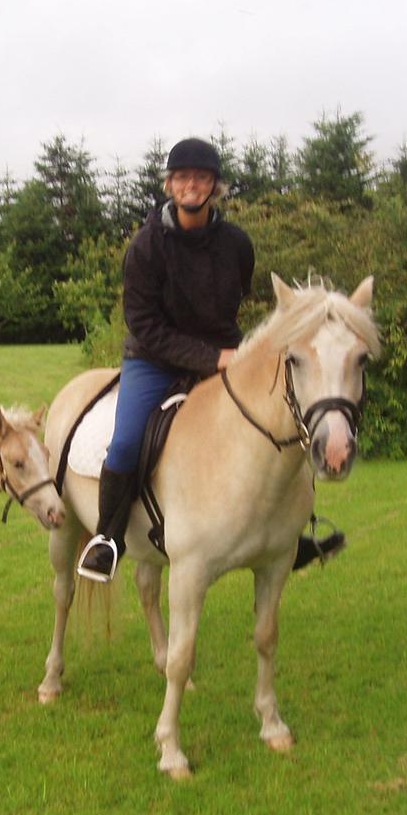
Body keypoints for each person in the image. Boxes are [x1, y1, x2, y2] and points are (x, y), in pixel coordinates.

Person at [76, 137, 343, 583]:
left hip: (224, 354)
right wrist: (210, 356)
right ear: (169, 185)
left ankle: (291, 532)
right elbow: (144, 325)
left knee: (284, 421)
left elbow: (229, 307)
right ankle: (108, 538)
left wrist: (231, 355)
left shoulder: (236, 244)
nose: (192, 185)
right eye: (182, 177)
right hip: (153, 358)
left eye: (201, 178)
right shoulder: (145, 247)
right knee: (125, 442)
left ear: (215, 187)